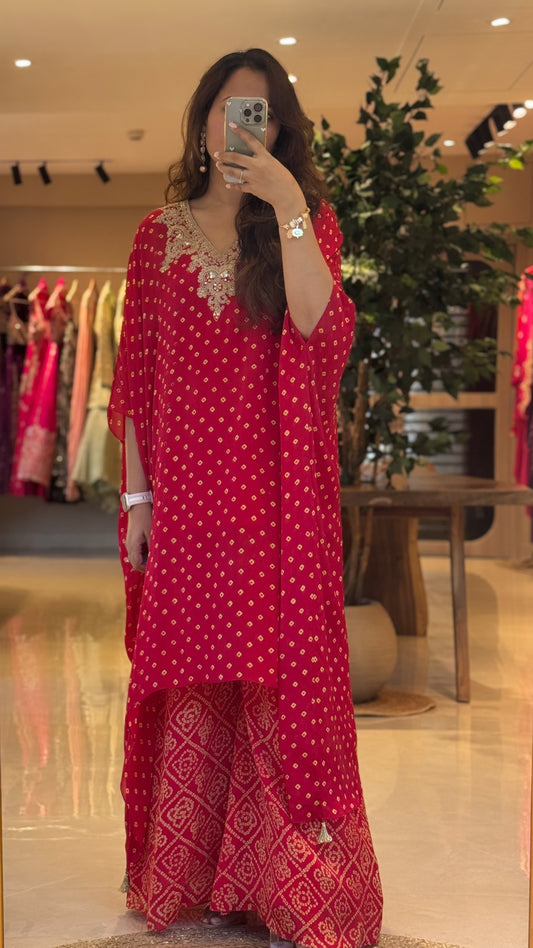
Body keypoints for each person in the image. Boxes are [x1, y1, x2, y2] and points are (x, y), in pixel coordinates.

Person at [108, 47, 383, 948]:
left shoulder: (304, 223)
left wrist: (288, 203)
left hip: (277, 504)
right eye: (227, 111)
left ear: (280, 129)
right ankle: (191, 874)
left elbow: (319, 326)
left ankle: (289, 884)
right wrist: (138, 501)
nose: (239, 127)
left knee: (278, 676)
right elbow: (136, 380)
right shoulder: (157, 236)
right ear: (202, 123)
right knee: (192, 675)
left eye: (257, 113)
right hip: (189, 508)